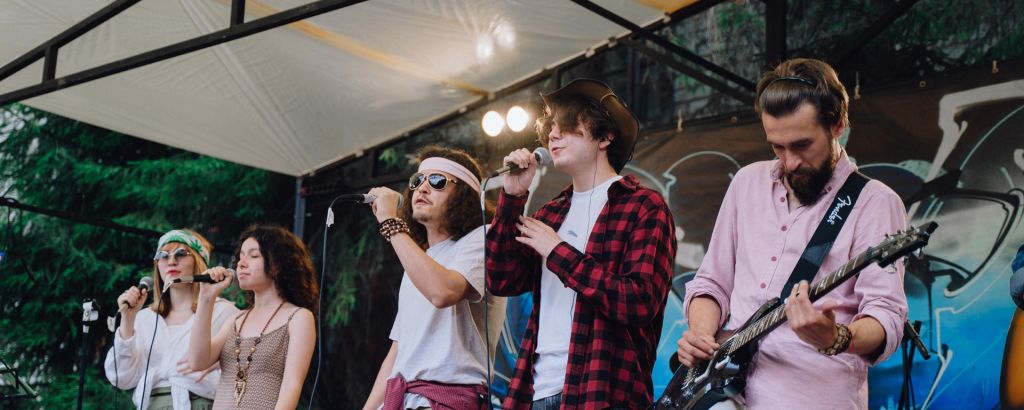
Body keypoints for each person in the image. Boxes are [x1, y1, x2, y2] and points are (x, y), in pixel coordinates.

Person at [676, 58, 908, 409]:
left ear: (837, 125)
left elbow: (886, 315)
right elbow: (712, 282)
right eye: (777, 147)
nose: (790, 162)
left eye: (802, 145)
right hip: (726, 396)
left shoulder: (875, 203)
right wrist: (701, 334)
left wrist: (836, 337)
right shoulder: (746, 183)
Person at [487, 79, 676, 409]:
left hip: (603, 391)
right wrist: (513, 197)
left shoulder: (644, 206)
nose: (553, 135)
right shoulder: (550, 214)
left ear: (605, 136)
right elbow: (501, 279)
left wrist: (558, 252)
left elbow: (639, 301)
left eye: (567, 125)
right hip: (536, 391)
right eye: (550, 128)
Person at [361, 146, 507, 410]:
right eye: (417, 181)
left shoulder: (484, 236)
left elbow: (443, 292)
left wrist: (390, 222)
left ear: (463, 196)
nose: (423, 188)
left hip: (447, 398)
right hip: (403, 398)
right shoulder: (419, 260)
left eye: (437, 181)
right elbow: (399, 352)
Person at [105, 228, 239, 409]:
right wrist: (128, 320)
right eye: (163, 256)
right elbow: (121, 378)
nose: (172, 261)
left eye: (181, 254)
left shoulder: (223, 312)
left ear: (198, 262)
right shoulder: (143, 318)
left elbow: (241, 369)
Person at [188, 225, 318, 410]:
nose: (241, 263)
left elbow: (292, 385)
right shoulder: (236, 320)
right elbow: (197, 362)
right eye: (240, 256)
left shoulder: (298, 317)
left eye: (254, 256)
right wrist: (206, 298)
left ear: (278, 264)